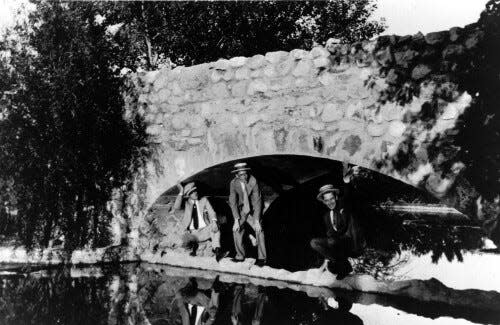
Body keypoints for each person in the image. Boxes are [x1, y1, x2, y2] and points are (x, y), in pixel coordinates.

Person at [310, 167, 365, 279]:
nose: (330, 202)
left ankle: (342, 265)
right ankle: (342, 264)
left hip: (350, 242)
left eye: (331, 199)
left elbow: (348, 195)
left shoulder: (343, 206)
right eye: (326, 200)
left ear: (336, 197)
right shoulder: (326, 216)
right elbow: (330, 233)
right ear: (324, 202)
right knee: (314, 242)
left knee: (332, 242)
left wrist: (346, 181)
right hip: (337, 243)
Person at [172, 182, 225, 262]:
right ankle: (192, 249)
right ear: (188, 195)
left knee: (216, 226)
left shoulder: (204, 200)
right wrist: (181, 191)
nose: (195, 193)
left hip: (203, 231)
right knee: (185, 240)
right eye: (192, 192)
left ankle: (217, 250)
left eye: (195, 190)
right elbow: (176, 207)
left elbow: (211, 212)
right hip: (191, 233)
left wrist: (214, 221)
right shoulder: (186, 202)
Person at [229, 162, 267, 267]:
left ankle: (262, 258)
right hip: (243, 209)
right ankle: (240, 256)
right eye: (241, 175)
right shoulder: (233, 183)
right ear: (236, 175)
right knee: (236, 229)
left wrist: (256, 220)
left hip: (254, 208)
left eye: (245, 173)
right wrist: (236, 220)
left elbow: (258, 201)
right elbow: (233, 201)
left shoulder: (253, 180)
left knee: (259, 229)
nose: (244, 176)